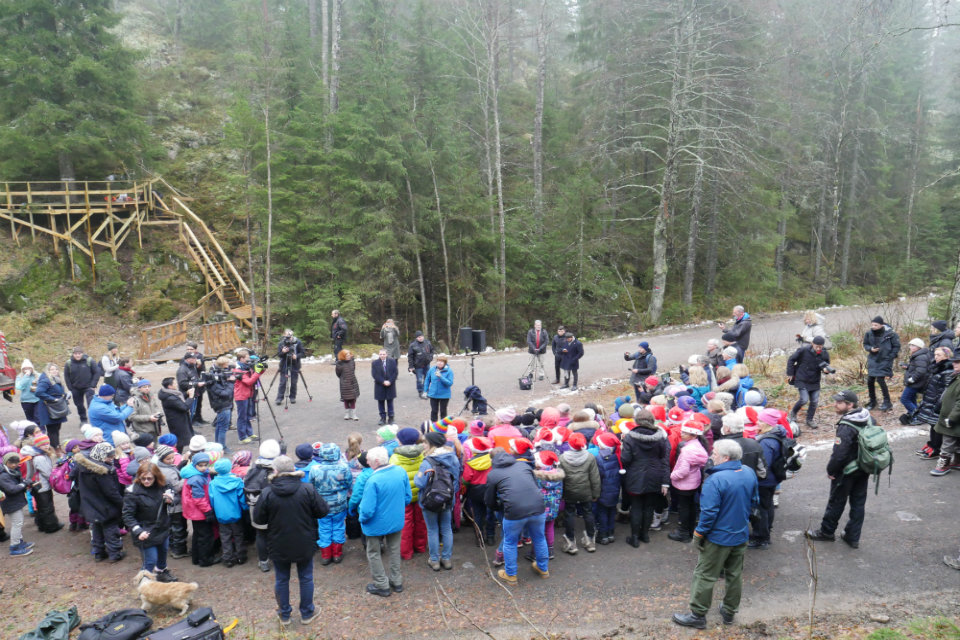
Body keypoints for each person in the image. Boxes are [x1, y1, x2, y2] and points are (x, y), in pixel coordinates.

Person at [671, 439, 758, 629]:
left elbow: (708, 513)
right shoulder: (749, 472)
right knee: (734, 574)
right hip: (740, 534)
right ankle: (729, 611)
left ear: (725, 457)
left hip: (718, 538)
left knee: (705, 574)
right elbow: (754, 502)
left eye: (715, 453)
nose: (711, 456)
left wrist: (699, 534)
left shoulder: (715, 480)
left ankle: (697, 615)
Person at [254, 455, 329, 625]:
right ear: (294, 469)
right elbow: (323, 511)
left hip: (278, 542)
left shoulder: (267, 493)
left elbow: (258, 520)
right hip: (304, 541)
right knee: (306, 577)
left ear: (276, 471)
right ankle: (307, 613)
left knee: (281, 579)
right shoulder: (307, 489)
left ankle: (284, 614)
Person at [806, 390, 873, 548]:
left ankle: (827, 532)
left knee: (836, 501)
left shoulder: (846, 426)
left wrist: (831, 470)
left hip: (846, 471)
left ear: (850, 405)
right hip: (864, 466)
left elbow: (839, 454)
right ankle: (852, 536)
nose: (835, 405)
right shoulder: (867, 416)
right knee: (858, 502)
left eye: (839, 402)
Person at [484, 447, 550, 584]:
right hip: (538, 506)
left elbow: (489, 500)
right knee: (539, 537)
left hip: (514, 510)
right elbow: (534, 484)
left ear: (492, 460)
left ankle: (511, 574)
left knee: (510, 542)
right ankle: (543, 568)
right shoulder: (523, 465)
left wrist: (498, 507)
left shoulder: (493, 474)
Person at [359, 446, 411, 597]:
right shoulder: (400, 471)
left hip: (375, 524)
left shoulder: (373, 480)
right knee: (394, 549)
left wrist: (361, 519)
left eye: (368, 459)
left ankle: (382, 584)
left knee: (374, 552)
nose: (366, 462)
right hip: (396, 520)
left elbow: (367, 510)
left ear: (376, 461)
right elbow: (407, 497)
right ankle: (397, 581)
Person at [122, 462, 177, 581]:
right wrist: (138, 531)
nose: (146, 481)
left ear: (156, 477)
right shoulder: (132, 492)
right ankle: (144, 585)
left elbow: (173, 494)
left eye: (149, 478)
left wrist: (170, 500)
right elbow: (127, 515)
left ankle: (161, 572)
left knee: (163, 553)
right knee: (150, 560)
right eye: (143, 478)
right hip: (145, 531)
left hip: (162, 527)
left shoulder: (164, 485)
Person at [414, 431, 461, 571]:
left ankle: (434, 560)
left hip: (430, 500)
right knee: (446, 528)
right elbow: (456, 480)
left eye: (425, 442)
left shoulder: (427, 461)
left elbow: (420, 483)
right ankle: (446, 559)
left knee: (432, 529)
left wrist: (418, 475)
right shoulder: (453, 457)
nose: (423, 444)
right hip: (447, 498)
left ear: (431, 444)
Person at [75, 441, 126, 563]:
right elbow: (111, 492)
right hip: (106, 507)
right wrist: (122, 503)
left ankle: (98, 553)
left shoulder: (83, 468)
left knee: (96, 528)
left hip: (90, 505)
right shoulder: (103, 472)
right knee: (111, 529)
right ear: (101, 456)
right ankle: (115, 554)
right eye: (109, 456)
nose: (112, 458)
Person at [309, 442, 352, 565]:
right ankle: (337, 554)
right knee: (338, 526)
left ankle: (326, 555)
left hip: (322, 505)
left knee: (324, 528)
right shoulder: (344, 467)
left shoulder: (315, 469)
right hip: (339, 503)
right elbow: (349, 483)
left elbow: (311, 485)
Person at [559, 432, 601, 554]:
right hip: (586, 491)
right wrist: (596, 494)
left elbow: (561, 478)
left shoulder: (562, 458)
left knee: (569, 514)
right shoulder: (589, 457)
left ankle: (571, 542)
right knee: (588, 513)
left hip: (569, 492)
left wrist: (561, 494)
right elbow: (595, 477)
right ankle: (590, 540)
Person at [668, 422, 709, 543]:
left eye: (685, 432)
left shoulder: (686, 451)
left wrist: (671, 476)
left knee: (684, 508)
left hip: (684, 484)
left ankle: (683, 533)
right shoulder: (698, 447)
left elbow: (683, 471)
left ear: (694, 435)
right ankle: (691, 530)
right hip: (694, 481)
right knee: (691, 506)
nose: (682, 433)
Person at [391, 428, 427, 559]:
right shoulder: (421, 453)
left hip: (404, 496)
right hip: (420, 493)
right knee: (421, 521)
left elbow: (393, 477)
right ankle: (420, 546)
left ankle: (406, 553)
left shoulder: (395, 457)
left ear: (401, 441)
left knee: (405, 524)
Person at [786, 336, 835, 429]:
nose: (818, 348)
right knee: (804, 399)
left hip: (815, 380)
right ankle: (793, 413)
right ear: (812, 344)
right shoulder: (803, 350)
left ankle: (809, 419)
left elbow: (826, 365)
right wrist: (790, 373)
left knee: (814, 401)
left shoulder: (824, 353)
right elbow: (791, 360)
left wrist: (825, 371)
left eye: (820, 346)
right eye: (817, 346)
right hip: (802, 378)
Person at [180, 452, 219, 566]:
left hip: (194, 511)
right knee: (205, 536)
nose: (203, 468)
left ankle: (196, 558)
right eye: (200, 465)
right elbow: (198, 498)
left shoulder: (196, 473)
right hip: (199, 511)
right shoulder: (196, 478)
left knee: (198, 535)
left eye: (205, 465)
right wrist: (207, 511)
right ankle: (205, 560)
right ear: (194, 464)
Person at [915, 347, 954, 456]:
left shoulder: (948, 370)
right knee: (932, 425)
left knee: (937, 427)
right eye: (935, 354)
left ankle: (936, 448)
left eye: (939, 355)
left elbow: (947, 390)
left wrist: (939, 405)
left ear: (947, 356)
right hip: (932, 402)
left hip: (939, 404)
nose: (936, 357)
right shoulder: (937, 367)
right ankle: (932, 444)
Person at [20, 432, 62, 533]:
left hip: (36, 485)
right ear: (38, 445)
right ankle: (51, 527)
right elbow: (47, 473)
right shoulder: (39, 458)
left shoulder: (35, 454)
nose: (47, 446)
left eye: (47, 443)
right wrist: (56, 477)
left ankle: (41, 525)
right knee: (47, 507)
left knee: (41, 506)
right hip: (42, 486)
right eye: (43, 444)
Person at [210, 457, 248, 567]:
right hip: (236, 513)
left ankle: (228, 558)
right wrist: (245, 508)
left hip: (221, 515)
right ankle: (240, 556)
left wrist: (215, 510)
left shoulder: (213, 483)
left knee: (225, 536)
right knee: (238, 534)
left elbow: (212, 499)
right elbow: (242, 498)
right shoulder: (237, 481)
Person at [930, 354, 960, 476]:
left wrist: (952, 418)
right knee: (957, 441)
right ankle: (957, 461)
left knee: (948, 442)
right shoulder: (956, 376)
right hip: (950, 416)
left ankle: (943, 465)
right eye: (954, 362)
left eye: (958, 363)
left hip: (953, 418)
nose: (954, 364)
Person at [0, 452, 35, 556]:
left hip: (14, 502)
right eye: (12, 463)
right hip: (10, 503)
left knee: (18, 522)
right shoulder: (3, 476)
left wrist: (26, 483)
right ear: (6, 462)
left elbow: (18, 484)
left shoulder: (12, 471)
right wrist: (24, 484)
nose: (15, 465)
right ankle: (14, 547)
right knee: (17, 523)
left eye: (16, 462)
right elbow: (12, 489)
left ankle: (19, 543)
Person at [862, 316, 900, 411]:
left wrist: (890, 356)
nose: (873, 327)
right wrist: (870, 349)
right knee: (870, 380)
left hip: (885, 359)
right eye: (872, 325)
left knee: (880, 380)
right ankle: (872, 401)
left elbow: (896, 346)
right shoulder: (869, 333)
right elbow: (865, 344)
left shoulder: (891, 334)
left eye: (876, 325)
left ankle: (887, 402)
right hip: (873, 359)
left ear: (881, 325)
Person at [34, 363, 69, 450]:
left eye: (56, 369)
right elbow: (39, 392)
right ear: (48, 371)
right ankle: (55, 448)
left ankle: (56, 446)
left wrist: (65, 395)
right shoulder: (46, 381)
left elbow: (56, 392)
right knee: (52, 430)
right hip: (49, 409)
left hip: (57, 408)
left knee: (57, 428)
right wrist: (52, 399)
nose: (54, 371)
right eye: (52, 369)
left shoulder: (56, 380)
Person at [233, 349, 264, 444]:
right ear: (241, 359)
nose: (249, 360)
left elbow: (255, 376)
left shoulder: (247, 367)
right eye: (247, 358)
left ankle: (249, 433)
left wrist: (261, 369)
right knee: (242, 417)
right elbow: (249, 381)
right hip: (241, 396)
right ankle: (242, 437)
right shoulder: (238, 369)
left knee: (248, 415)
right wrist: (257, 372)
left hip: (248, 394)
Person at [207, 356, 237, 452]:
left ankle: (218, 445)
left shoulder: (217, 375)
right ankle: (222, 447)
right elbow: (225, 393)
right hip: (222, 405)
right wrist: (231, 382)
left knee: (219, 426)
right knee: (223, 428)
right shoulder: (214, 380)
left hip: (222, 404)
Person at [63, 346, 100, 423]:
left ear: (82, 353)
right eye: (76, 354)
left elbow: (97, 372)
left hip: (88, 387)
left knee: (91, 405)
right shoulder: (69, 363)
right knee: (79, 405)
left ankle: (94, 420)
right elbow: (66, 377)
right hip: (75, 388)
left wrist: (93, 385)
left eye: (79, 353)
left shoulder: (89, 361)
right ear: (73, 354)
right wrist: (70, 388)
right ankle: (83, 420)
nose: (77, 355)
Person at [899, 338, 931, 423]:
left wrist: (912, 379)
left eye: (913, 345)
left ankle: (918, 417)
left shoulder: (921, 356)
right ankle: (915, 416)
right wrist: (908, 366)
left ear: (919, 347)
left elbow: (921, 371)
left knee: (904, 399)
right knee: (912, 399)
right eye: (910, 345)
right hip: (916, 382)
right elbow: (918, 368)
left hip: (915, 383)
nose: (910, 347)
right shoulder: (918, 355)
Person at [159, 377, 194, 453]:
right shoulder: (170, 398)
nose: (177, 384)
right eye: (175, 383)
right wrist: (191, 397)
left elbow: (178, 400)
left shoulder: (169, 393)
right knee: (179, 441)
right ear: (169, 386)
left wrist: (186, 394)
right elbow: (184, 407)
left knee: (180, 440)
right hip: (178, 422)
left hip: (177, 420)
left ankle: (177, 455)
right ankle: (177, 456)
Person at [176, 352, 207, 427]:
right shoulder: (182, 370)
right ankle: (188, 429)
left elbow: (194, 378)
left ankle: (190, 429)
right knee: (188, 413)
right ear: (188, 359)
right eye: (194, 358)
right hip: (187, 394)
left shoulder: (192, 366)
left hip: (194, 393)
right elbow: (182, 384)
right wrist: (196, 384)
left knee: (193, 412)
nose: (196, 359)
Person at [276, 329, 305, 406]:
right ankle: (279, 398)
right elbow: (279, 355)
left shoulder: (297, 342)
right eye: (287, 336)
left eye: (290, 335)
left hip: (295, 364)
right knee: (283, 382)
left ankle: (292, 397)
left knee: (293, 382)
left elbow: (303, 353)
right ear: (284, 336)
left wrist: (297, 356)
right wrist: (283, 352)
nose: (289, 337)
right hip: (284, 364)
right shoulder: (282, 343)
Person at [372, 349, 398, 426]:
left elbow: (395, 373)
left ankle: (391, 418)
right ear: (378, 355)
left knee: (390, 402)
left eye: (383, 354)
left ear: (386, 354)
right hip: (380, 385)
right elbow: (374, 374)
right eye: (380, 354)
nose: (382, 356)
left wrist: (390, 381)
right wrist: (383, 381)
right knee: (381, 402)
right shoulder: (375, 363)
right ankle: (382, 418)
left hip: (390, 385)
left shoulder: (392, 362)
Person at [425, 356, 454, 422]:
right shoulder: (432, 369)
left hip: (444, 395)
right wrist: (425, 390)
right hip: (433, 394)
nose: (439, 363)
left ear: (445, 363)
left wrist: (441, 377)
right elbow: (427, 380)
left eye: (441, 362)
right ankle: (434, 425)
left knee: (443, 411)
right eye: (438, 361)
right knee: (434, 411)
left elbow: (449, 383)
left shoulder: (449, 371)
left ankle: (443, 425)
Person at [407, 331, 434, 399]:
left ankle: (426, 391)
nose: (421, 338)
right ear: (416, 338)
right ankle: (420, 391)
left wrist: (430, 357)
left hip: (427, 364)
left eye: (421, 336)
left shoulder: (427, 342)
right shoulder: (413, 345)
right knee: (419, 379)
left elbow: (432, 351)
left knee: (428, 378)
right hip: (418, 366)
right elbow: (410, 357)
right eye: (419, 337)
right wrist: (411, 366)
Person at [336, 350, 361, 421]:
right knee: (346, 400)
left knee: (353, 399)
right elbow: (338, 374)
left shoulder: (352, 362)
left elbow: (353, 370)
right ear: (343, 356)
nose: (349, 356)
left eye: (349, 355)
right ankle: (347, 414)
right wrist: (344, 379)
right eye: (347, 356)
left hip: (353, 383)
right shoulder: (339, 364)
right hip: (344, 384)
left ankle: (354, 414)